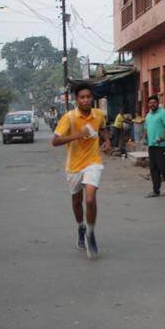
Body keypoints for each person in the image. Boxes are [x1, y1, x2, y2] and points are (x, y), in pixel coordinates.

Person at [51, 82, 111, 259]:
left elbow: (102, 128)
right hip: (74, 166)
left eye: (88, 97)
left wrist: (107, 141)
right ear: (76, 99)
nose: (86, 100)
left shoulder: (98, 114)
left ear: (93, 98)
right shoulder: (69, 118)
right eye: (82, 97)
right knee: (77, 202)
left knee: (90, 199)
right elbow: (55, 141)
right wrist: (78, 135)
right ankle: (81, 227)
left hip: (93, 162)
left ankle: (90, 234)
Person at [144, 95, 165, 198]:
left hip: (162, 145)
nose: (152, 104)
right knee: (153, 168)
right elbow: (146, 127)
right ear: (148, 104)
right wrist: (146, 137)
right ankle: (156, 191)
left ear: (158, 103)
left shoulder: (163, 113)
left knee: (163, 167)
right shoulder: (148, 115)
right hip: (152, 145)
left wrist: (163, 138)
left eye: (154, 102)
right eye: (150, 103)